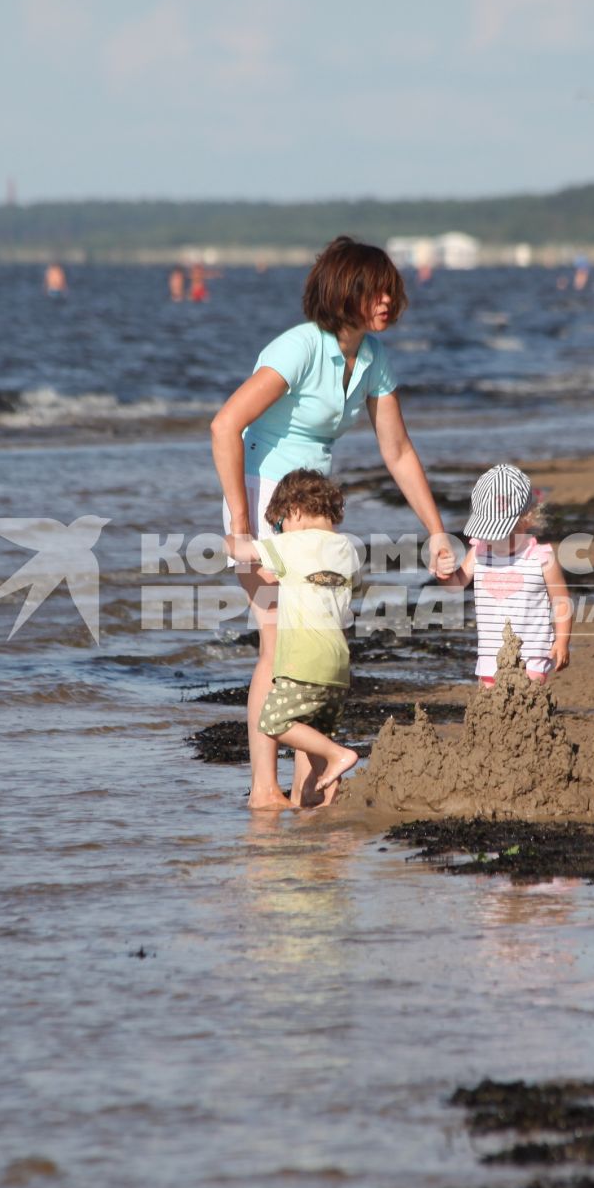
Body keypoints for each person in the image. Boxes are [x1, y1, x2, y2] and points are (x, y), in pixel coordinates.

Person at [212, 236, 456, 809]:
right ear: (343, 292)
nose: (387, 301)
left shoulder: (373, 361)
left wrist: (438, 532)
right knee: (278, 645)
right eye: (375, 291)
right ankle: (263, 790)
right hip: (265, 499)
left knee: (315, 638)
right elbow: (225, 426)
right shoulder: (299, 347)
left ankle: (308, 784)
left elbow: (397, 451)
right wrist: (242, 530)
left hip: (314, 511)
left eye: (391, 291)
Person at [225, 470, 363, 808]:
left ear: (295, 510)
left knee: (273, 722)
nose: (278, 531)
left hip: (303, 660)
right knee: (315, 737)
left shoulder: (290, 544)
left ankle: (339, 754)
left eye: (278, 524)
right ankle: (327, 799)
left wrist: (229, 538)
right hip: (338, 666)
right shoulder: (349, 549)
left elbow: (243, 552)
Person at [441, 464, 571, 686]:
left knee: (526, 702)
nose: (497, 540)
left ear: (528, 518)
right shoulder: (478, 552)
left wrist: (562, 641)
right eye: (491, 532)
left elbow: (561, 602)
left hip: (532, 654)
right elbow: (456, 584)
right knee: (491, 708)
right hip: (490, 655)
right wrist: (444, 574)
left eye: (505, 532)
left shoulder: (542, 558)